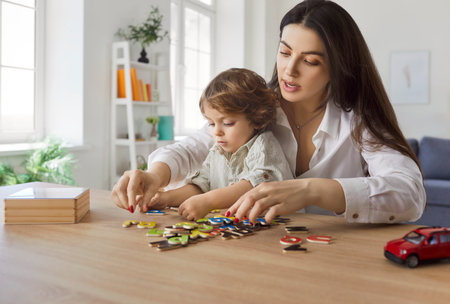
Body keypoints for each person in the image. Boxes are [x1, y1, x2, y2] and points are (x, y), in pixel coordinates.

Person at [112, 0, 425, 225]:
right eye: (285, 52)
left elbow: (410, 195)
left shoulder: (357, 119)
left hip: (336, 261)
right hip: (261, 253)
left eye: (311, 61)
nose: (289, 70)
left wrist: (311, 191)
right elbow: (195, 146)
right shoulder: (257, 104)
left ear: (338, 67)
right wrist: (155, 176)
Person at [113, 68, 293, 220]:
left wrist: (208, 201)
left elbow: (254, 187)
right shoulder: (218, 150)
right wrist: (166, 198)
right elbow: (201, 185)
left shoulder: (264, 144)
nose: (216, 132)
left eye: (228, 123)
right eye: (211, 123)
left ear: (257, 118)